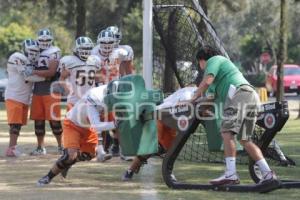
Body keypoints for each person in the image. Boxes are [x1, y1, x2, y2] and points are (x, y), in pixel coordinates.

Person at [190, 46, 277, 185]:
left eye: (199, 64)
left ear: (202, 60)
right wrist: (197, 108)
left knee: (226, 132)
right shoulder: (218, 80)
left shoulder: (214, 59)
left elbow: (207, 80)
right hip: (251, 96)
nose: (201, 68)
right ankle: (267, 174)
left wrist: (192, 98)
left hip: (241, 94)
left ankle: (231, 174)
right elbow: (209, 100)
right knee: (244, 139)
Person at [37, 85, 116, 186]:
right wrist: (116, 124)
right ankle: (48, 177)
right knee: (70, 155)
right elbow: (98, 126)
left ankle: (67, 164)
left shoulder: (111, 95)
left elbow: (104, 124)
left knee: (88, 155)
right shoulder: (94, 98)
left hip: (88, 127)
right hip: (73, 123)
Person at [5, 39, 45, 157]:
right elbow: (27, 76)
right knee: (15, 124)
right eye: (31, 51)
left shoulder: (33, 62)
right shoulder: (17, 56)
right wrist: (45, 78)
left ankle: (13, 147)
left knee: (18, 125)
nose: (33, 53)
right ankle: (11, 149)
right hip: (14, 96)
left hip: (24, 97)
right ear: (25, 49)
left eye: (35, 51)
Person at [27, 28, 63, 155]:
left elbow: (51, 72)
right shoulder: (34, 50)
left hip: (51, 89)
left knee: (54, 120)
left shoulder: (54, 51)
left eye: (47, 40)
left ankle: (61, 146)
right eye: (42, 40)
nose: (45, 42)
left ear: (51, 40)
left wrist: (34, 72)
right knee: (38, 120)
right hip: (38, 89)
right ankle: (40, 147)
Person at [58, 36, 101, 110]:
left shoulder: (95, 60)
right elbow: (62, 78)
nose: (86, 51)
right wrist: (67, 90)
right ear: (76, 49)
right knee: (71, 121)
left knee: (88, 121)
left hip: (90, 99)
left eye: (88, 48)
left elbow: (97, 79)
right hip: (73, 100)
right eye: (83, 48)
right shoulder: (69, 61)